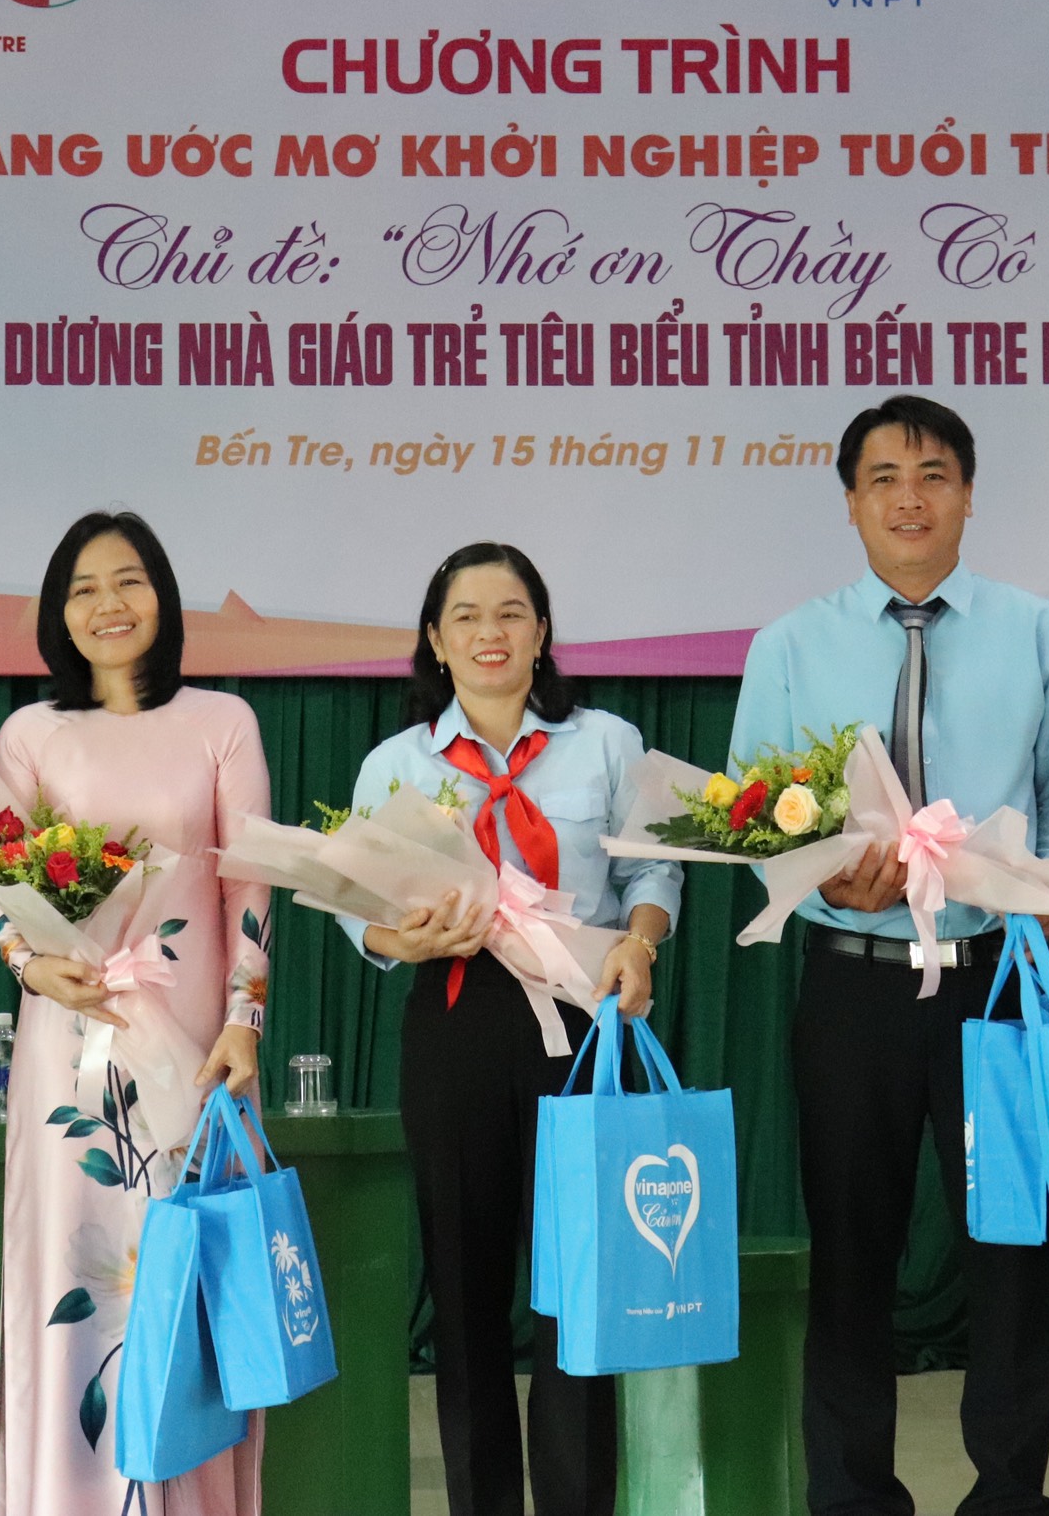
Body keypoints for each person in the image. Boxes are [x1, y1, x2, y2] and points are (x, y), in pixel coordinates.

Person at [732, 396, 1049, 1516]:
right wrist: (815, 879)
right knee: (851, 1251)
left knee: (1012, 1247)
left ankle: (1010, 1494)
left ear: (968, 496)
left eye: (934, 474)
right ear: (850, 501)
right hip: (852, 977)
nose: (910, 497)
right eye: (885, 477)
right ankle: (851, 1496)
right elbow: (748, 816)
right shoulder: (788, 644)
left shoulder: (1042, 633)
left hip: (999, 977)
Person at [343, 541, 682, 1516]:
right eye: (466, 615)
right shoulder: (394, 765)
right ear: (434, 639)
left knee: (582, 1292)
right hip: (454, 1020)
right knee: (464, 1293)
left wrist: (640, 945)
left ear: (542, 632)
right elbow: (353, 904)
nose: (488, 632)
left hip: (585, 1022)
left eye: (510, 613)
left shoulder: (607, 743)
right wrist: (396, 938)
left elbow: (653, 868)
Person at [0, 511, 271, 1516]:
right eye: (84, 588)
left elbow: (249, 883)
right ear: (58, 613)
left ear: (164, 596)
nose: (109, 603)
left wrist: (243, 1020)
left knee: (187, 1278)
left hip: (199, 1051)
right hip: (71, 1048)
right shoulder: (29, 734)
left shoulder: (222, 720)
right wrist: (30, 964)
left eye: (129, 580)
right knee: (77, 1274)